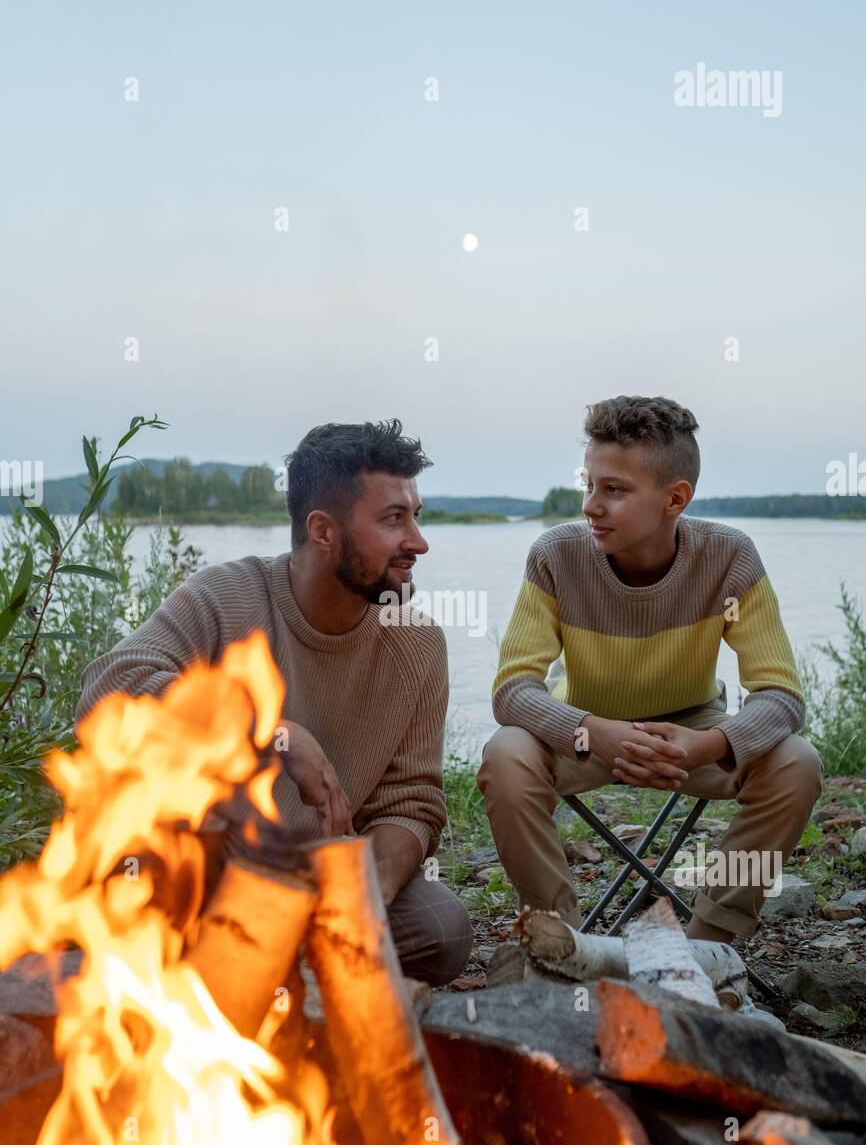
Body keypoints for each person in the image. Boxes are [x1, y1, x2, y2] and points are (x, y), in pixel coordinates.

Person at [76, 419, 473, 986]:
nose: (418, 541)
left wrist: (369, 893)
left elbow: (411, 801)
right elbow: (107, 690)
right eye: (393, 519)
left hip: (316, 878)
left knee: (442, 927)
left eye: (416, 515)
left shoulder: (416, 643)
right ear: (323, 531)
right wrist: (269, 729)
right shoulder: (225, 598)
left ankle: (292, 968)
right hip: (206, 869)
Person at [477, 395, 823, 945]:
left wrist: (707, 745)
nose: (591, 505)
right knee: (506, 755)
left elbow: (780, 695)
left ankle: (712, 943)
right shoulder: (555, 557)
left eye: (614, 490)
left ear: (675, 498)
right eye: (589, 484)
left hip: (691, 732)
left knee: (796, 762)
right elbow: (514, 691)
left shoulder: (730, 558)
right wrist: (595, 732)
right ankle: (560, 941)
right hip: (584, 732)